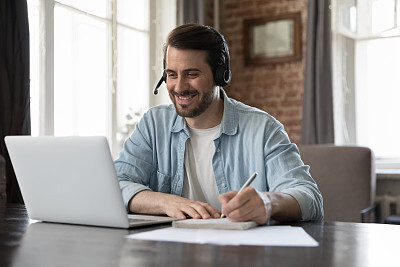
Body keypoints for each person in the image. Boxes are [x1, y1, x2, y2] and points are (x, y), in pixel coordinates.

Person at [114, 23, 323, 225]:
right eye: (171, 74)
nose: (179, 87)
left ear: (219, 75)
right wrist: (164, 201)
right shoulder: (154, 124)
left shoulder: (263, 128)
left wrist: (268, 202)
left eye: (192, 74)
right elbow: (116, 184)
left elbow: (309, 197)